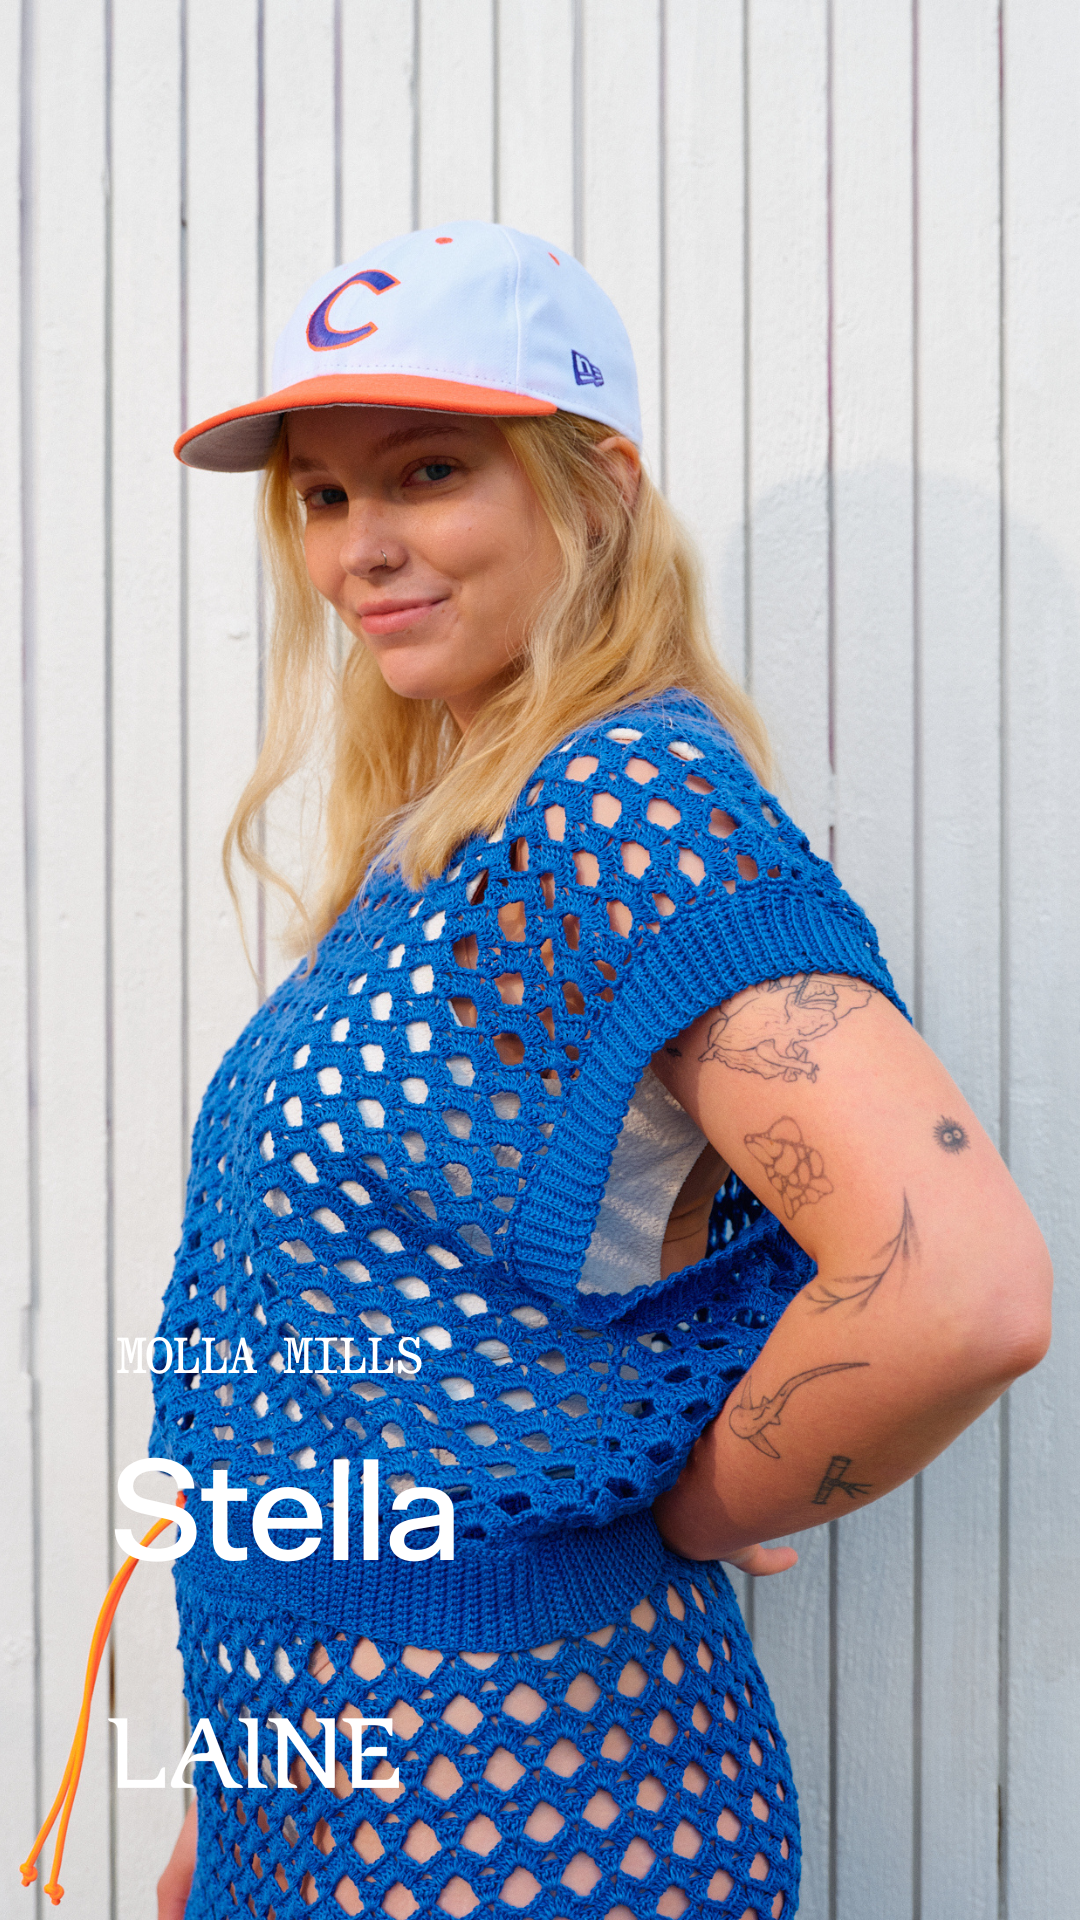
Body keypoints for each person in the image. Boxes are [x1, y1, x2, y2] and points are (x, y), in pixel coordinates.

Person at [154, 223, 1051, 1920]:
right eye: (326, 498)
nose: (363, 548)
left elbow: (963, 1288)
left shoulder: (621, 806)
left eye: (427, 471)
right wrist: (246, 1778)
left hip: (535, 1815)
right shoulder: (442, 853)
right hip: (335, 1795)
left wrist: (691, 1502)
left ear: (596, 488)